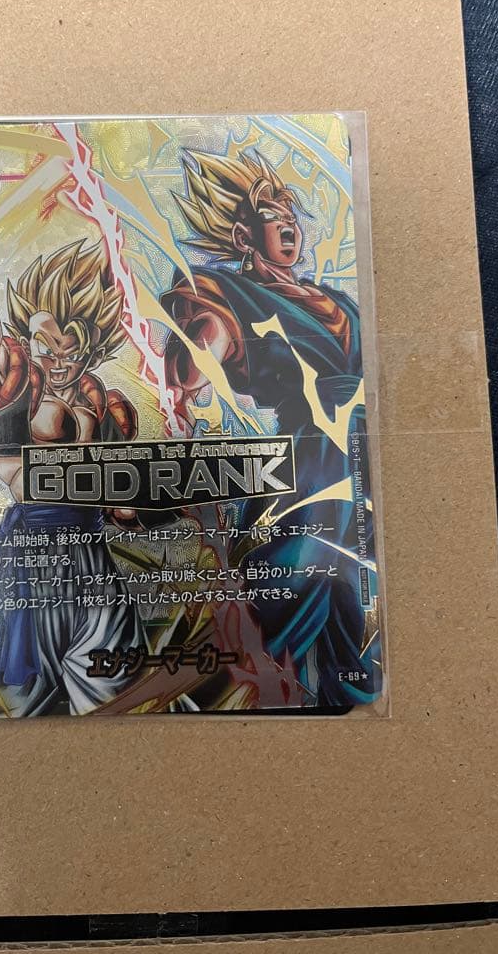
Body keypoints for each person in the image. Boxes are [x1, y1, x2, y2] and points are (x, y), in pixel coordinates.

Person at [162, 148, 380, 707]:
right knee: (293, 576)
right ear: (243, 237)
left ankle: (339, 694)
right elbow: (204, 345)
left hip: (365, 451)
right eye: (272, 217)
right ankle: (220, 690)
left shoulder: (340, 300)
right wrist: (202, 351)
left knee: (355, 591)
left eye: (291, 216)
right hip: (310, 459)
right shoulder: (232, 293)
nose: (288, 226)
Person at [0, 136, 143, 717]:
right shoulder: (13, 384)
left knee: (115, 696)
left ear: (92, 344)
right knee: (22, 702)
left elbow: (125, 506)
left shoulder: (106, 407)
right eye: (43, 342)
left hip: (93, 558)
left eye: (68, 346)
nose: (54, 357)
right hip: (31, 557)